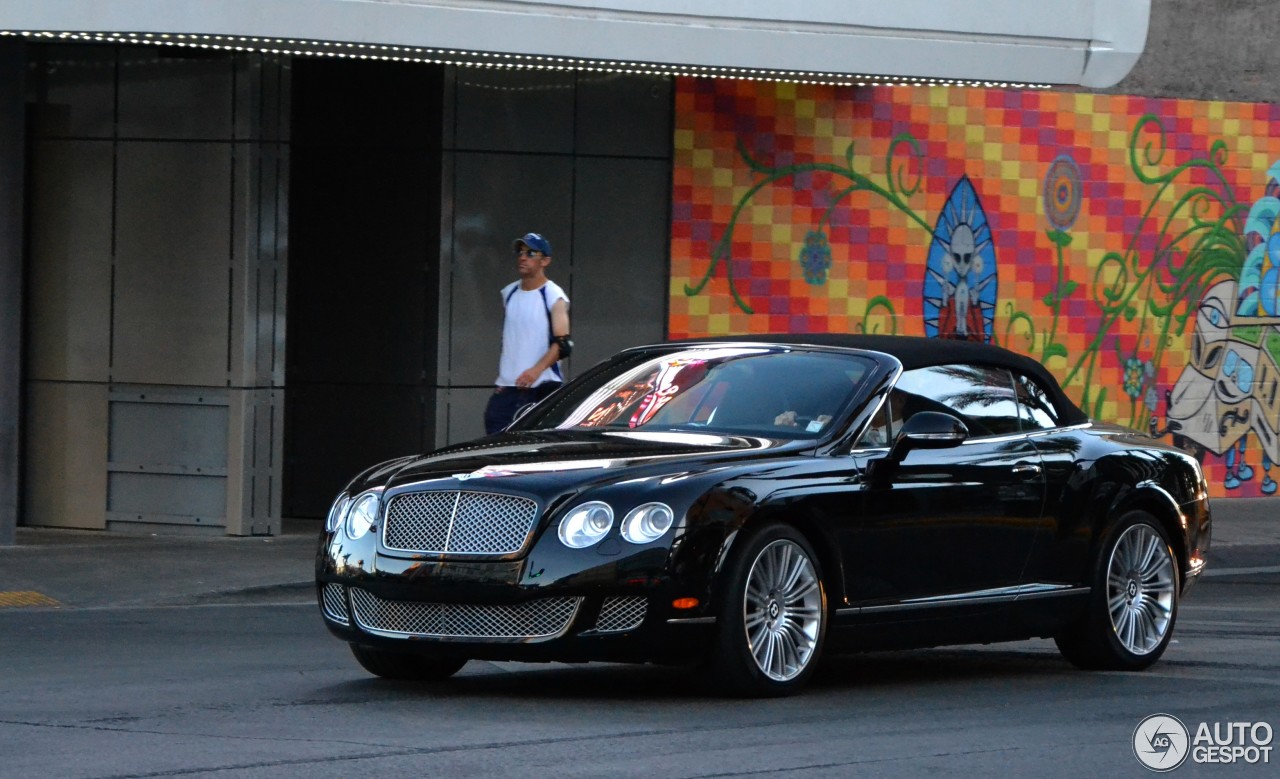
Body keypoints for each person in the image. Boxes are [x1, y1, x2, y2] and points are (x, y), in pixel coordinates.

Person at [483, 232, 573, 434]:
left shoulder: (552, 295)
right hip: (508, 387)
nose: (523, 257)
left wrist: (536, 370)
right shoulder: (510, 292)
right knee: (496, 444)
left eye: (531, 253)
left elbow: (563, 345)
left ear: (545, 261)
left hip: (541, 388)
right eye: (521, 252)